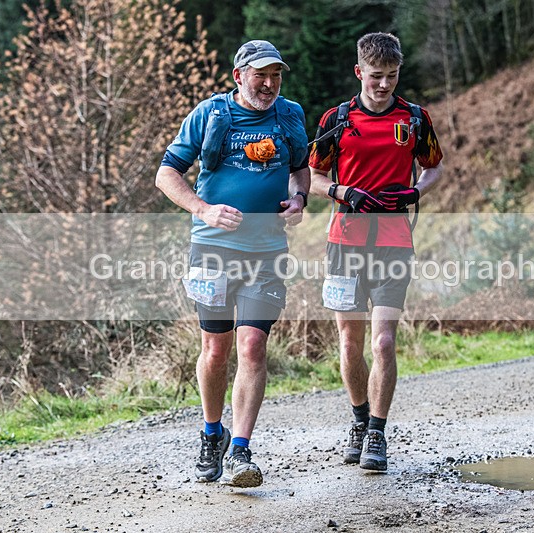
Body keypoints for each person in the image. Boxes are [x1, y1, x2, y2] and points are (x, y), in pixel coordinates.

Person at [156, 40, 310, 488]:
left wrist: (299, 199)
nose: (269, 84)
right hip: (213, 250)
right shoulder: (211, 114)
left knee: (252, 346)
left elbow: (300, 168)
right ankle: (212, 433)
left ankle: (240, 450)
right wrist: (203, 209)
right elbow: (167, 173)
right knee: (215, 350)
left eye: (276, 76)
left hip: (267, 251)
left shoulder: (290, 115)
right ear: (238, 76)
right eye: (260, 75)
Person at [308, 32, 443, 472]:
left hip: (394, 243)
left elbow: (434, 167)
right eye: (376, 76)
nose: (384, 84)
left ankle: (378, 434)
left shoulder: (415, 119)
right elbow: (311, 177)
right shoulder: (337, 119)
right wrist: (342, 191)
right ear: (359, 72)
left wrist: (415, 191)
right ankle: (359, 421)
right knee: (350, 344)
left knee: (383, 342)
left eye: (392, 75)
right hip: (344, 242)